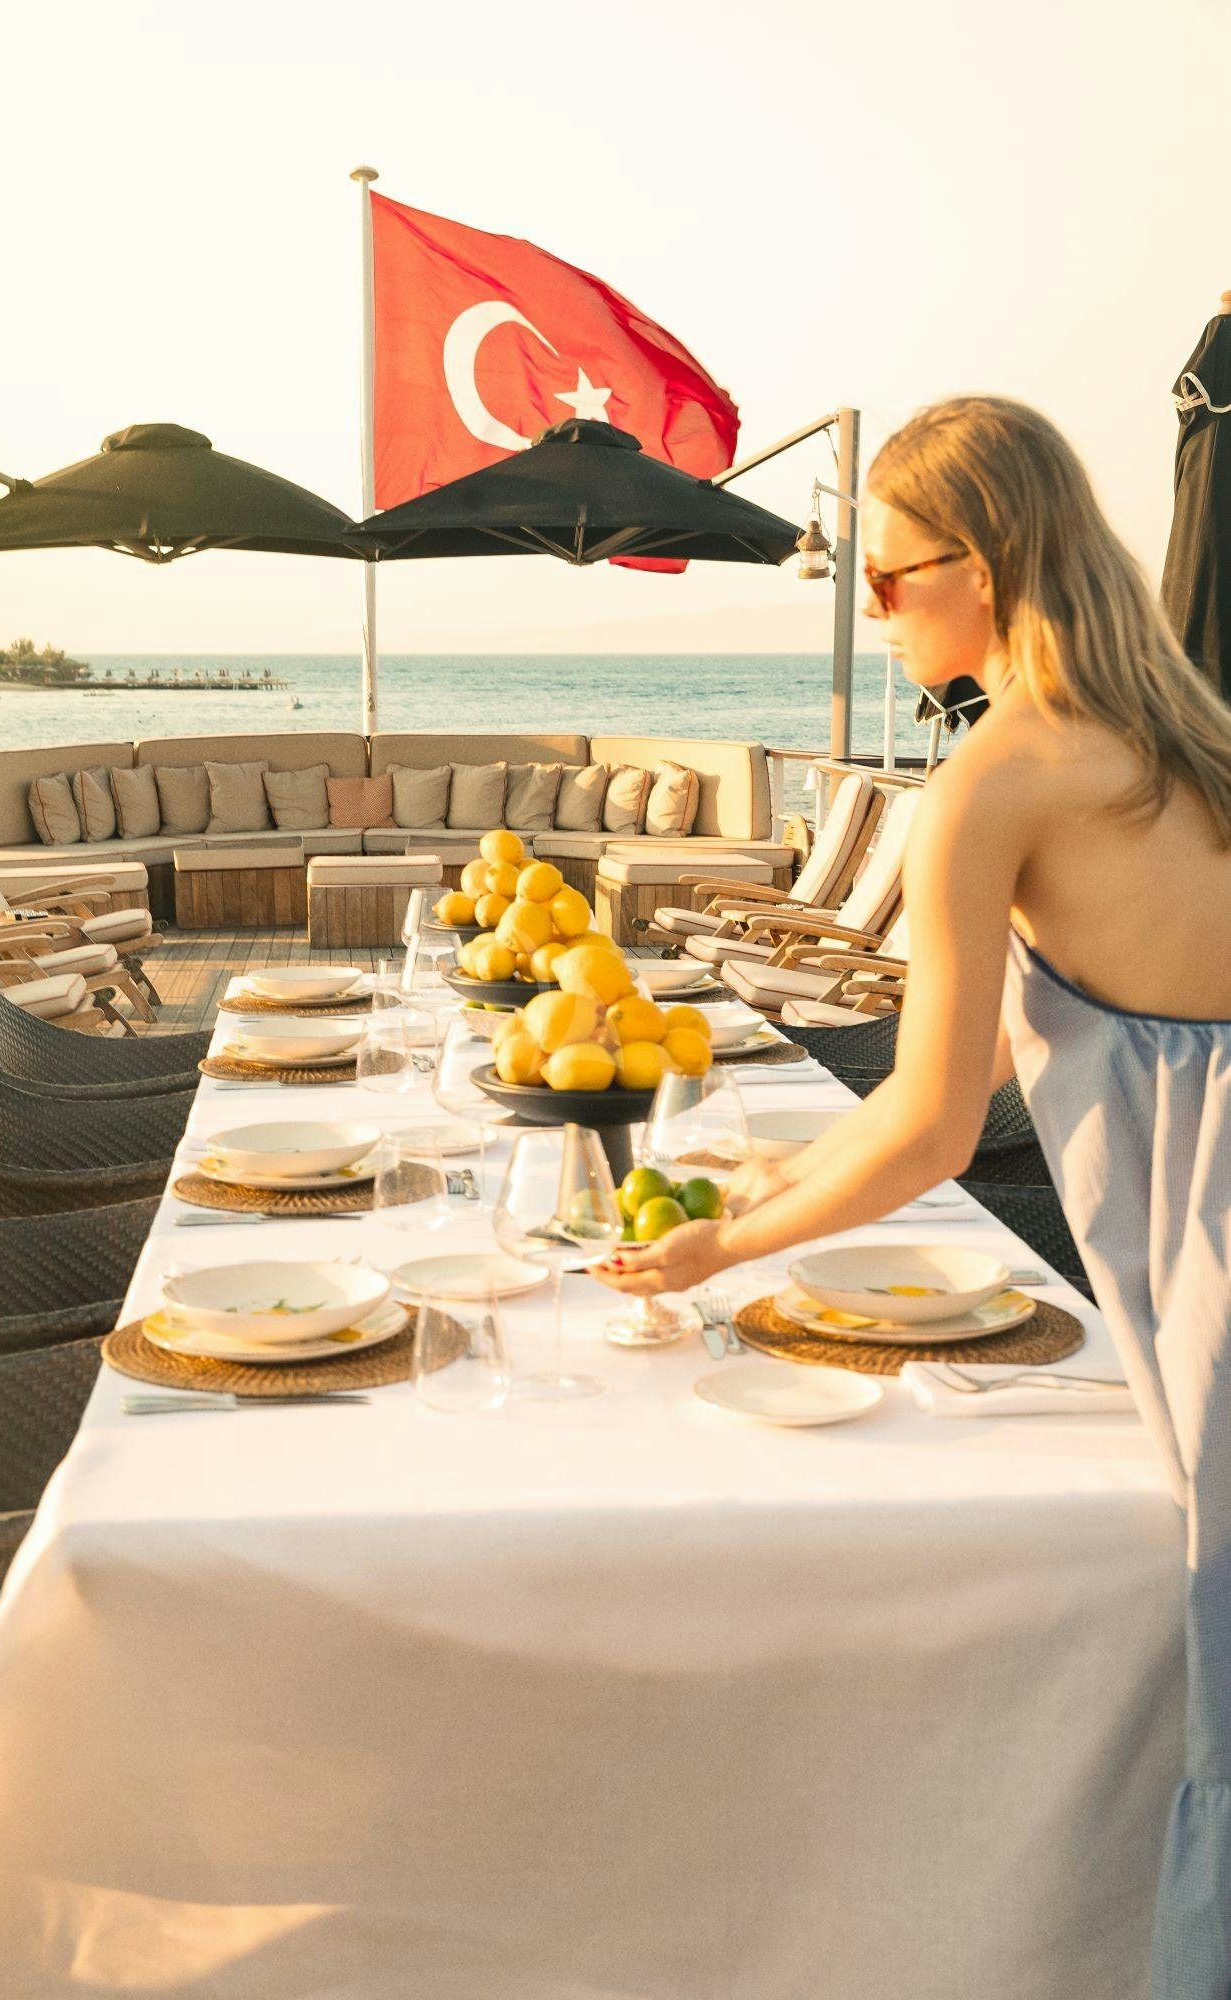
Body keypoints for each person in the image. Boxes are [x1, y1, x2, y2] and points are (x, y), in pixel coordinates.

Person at [594, 395, 1231, 1999]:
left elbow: (938, 1125)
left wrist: (719, 1250)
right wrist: (768, 1171)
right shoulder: (1177, 741)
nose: (867, 610)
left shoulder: (998, 776)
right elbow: (939, 1096)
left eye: (885, 580)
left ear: (987, 565)